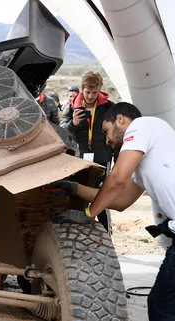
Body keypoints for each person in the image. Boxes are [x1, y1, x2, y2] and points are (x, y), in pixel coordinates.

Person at [49, 102, 175, 321]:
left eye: (108, 132)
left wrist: (89, 214)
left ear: (120, 119)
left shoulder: (145, 126)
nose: (108, 141)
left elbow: (116, 180)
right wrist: (74, 188)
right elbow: (120, 200)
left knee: (167, 310)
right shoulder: (153, 159)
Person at [59, 71, 114, 230]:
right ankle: (77, 230)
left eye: (94, 92)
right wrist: (73, 124)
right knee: (77, 194)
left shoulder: (109, 107)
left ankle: (105, 232)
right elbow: (62, 133)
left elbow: (117, 133)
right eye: (87, 92)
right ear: (82, 89)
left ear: (100, 90)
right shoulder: (71, 107)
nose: (90, 96)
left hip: (102, 159)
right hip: (79, 160)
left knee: (101, 195)